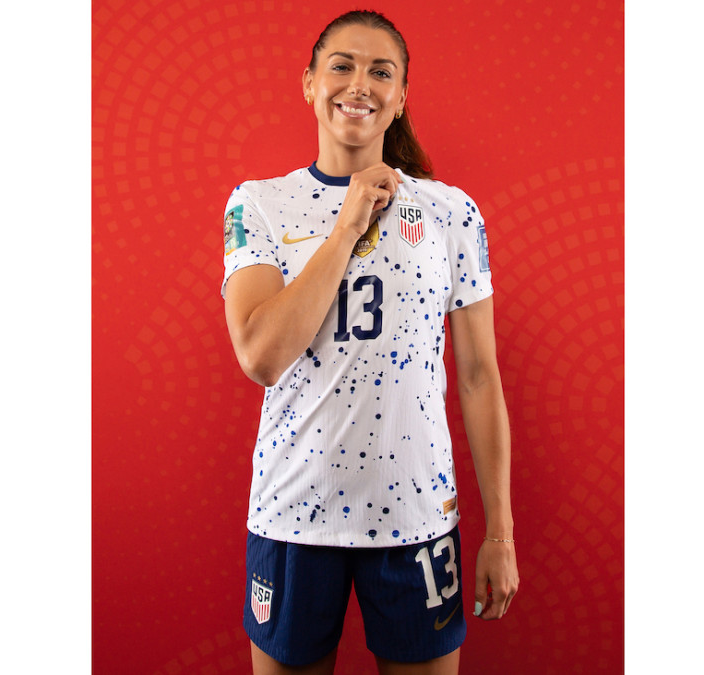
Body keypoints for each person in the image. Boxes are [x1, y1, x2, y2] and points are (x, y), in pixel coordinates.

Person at [221, 10, 519, 675]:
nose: (360, 83)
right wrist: (348, 221)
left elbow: (478, 376)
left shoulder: (451, 212)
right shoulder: (258, 204)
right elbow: (261, 354)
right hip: (295, 514)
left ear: (401, 96)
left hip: (417, 517)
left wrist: (499, 527)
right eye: (342, 65)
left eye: (381, 71)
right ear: (308, 83)